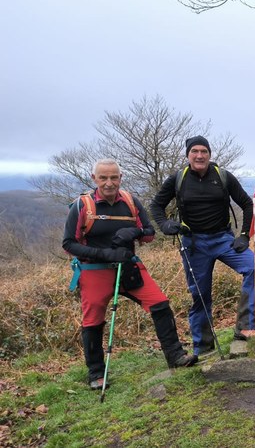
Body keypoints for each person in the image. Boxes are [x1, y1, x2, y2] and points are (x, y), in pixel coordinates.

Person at [64, 159, 196, 390]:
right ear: (94, 178)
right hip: (95, 271)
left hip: (128, 267)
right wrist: (104, 254)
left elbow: (149, 233)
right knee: (93, 321)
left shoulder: (130, 201)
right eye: (103, 178)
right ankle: (96, 373)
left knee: (160, 304)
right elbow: (68, 244)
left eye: (114, 177)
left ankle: (176, 356)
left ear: (120, 178)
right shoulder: (82, 206)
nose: (109, 183)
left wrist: (131, 232)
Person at [150, 136, 255, 356]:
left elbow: (246, 203)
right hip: (194, 243)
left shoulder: (222, 176)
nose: (199, 155)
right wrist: (165, 224)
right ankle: (203, 346)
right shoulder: (178, 179)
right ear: (188, 155)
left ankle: (245, 327)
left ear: (209, 154)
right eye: (195, 151)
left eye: (204, 151)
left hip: (224, 239)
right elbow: (156, 206)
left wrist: (244, 235)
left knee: (254, 267)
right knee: (200, 294)